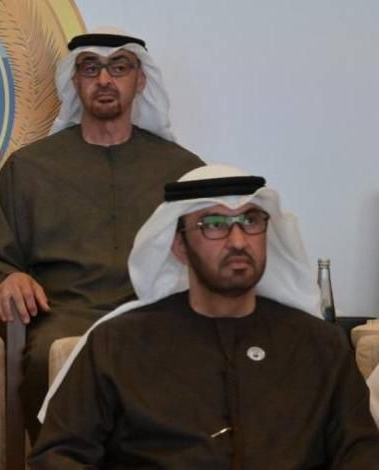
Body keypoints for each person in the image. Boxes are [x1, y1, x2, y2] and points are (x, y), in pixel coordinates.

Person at [31, 165, 379, 468]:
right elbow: (59, 456)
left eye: (250, 221)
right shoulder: (117, 345)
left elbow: (362, 453)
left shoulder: (319, 346)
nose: (238, 240)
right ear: (179, 246)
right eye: (214, 224)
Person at [0, 28, 202, 438]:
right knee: (44, 357)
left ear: (141, 80)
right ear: (75, 81)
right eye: (91, 68)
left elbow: (206, 253)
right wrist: (9, 277)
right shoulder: (30, 168)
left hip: (155, 313)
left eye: (119, 67)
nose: (105, 79)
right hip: (64, 314)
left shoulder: (181, 170)